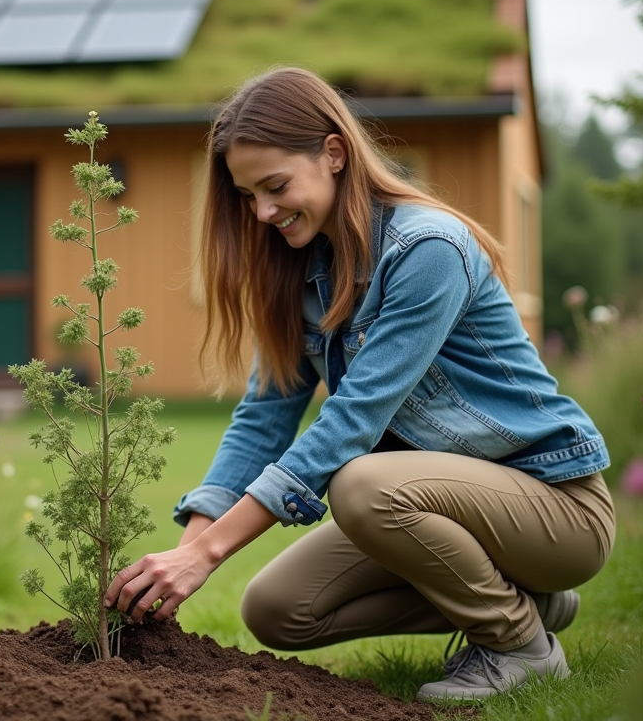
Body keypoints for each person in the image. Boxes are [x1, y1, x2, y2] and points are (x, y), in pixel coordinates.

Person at [103, 67, 615, 703]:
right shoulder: (300, 269)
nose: (262, 211)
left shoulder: (427, 248)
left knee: (359, 484)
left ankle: (518, 645)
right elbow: (263, 418)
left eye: (275, 186)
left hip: (555, 508)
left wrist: (207, 557)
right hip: (444, 501)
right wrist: (183, 560)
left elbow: (352, 422)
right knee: (278, 610)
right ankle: (530, 602)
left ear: (334, 153)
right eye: (247, 195)